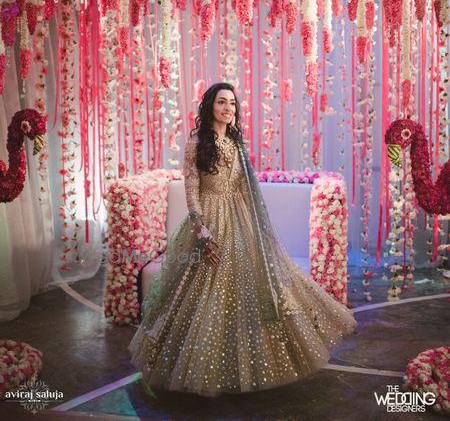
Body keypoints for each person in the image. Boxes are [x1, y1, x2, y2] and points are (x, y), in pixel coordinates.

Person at [129, 82, 357, 397]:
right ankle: (192, 364)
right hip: (208, 218)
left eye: (233, 104)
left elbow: (243, 187)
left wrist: (253, 226)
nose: (228, 109)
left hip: (240, 220)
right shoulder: (197, 142)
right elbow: (192, 189)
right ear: (210, 105)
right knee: (199, 292)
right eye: (222, 102)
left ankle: (239, 362)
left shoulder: (236, 142)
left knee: (250, 288)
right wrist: (201, 229)